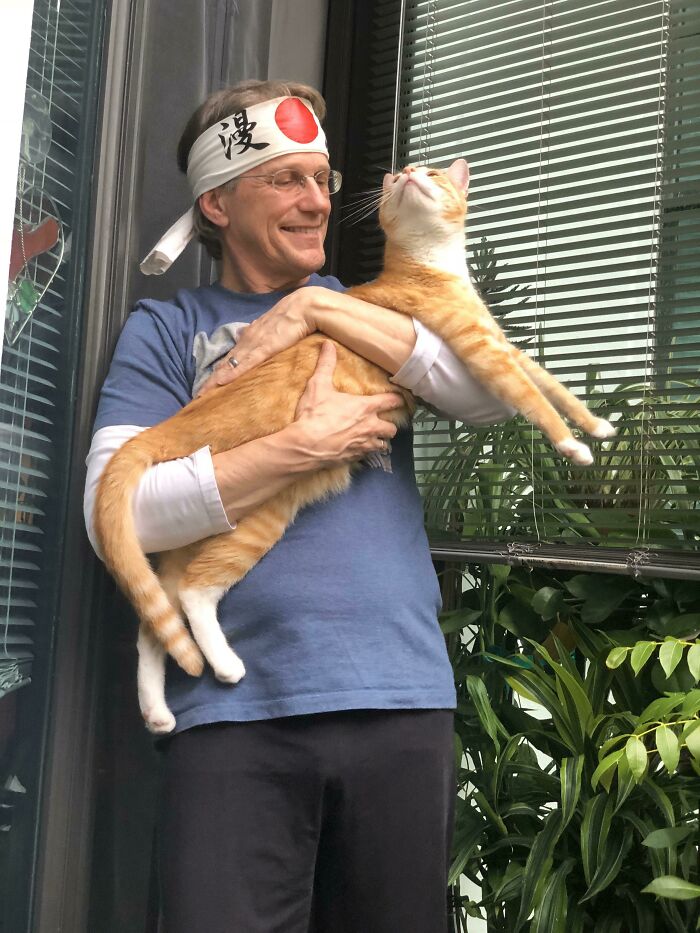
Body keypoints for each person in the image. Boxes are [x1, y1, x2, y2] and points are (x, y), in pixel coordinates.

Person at [84, 79, 511, 933]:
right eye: (285, 179)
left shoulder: (374, 309)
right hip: (236, 715)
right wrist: (296, 449)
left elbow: (490, 393)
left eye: (323, 178)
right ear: (217, 201)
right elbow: (117, 514)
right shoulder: (170, 331)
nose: (317, 200)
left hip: (399, 697)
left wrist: (319, 306)